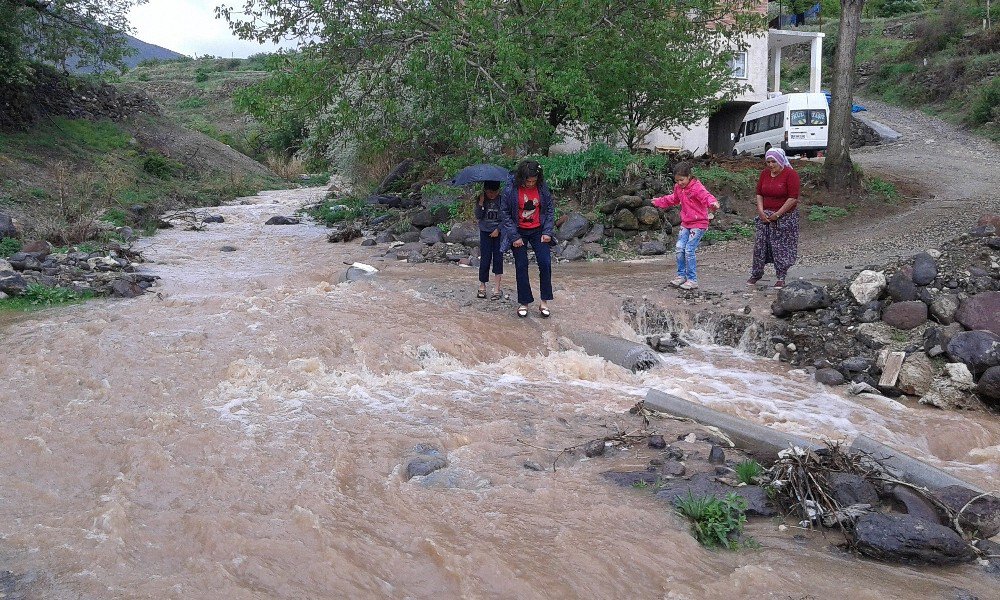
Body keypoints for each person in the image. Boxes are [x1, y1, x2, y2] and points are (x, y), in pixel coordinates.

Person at [651, 161, 720, 290]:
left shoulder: (696, 187)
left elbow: (707, 196)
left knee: (689, 250)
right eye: (677, 181)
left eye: (681, 180)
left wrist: (713, 203)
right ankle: (681, 276)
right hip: (686, 222)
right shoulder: (679, 188)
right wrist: (659, 201)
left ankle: (692, 280)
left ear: (689, 176)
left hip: (699, 223)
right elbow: (673, 199)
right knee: (679, 248)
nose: (679, 183)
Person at [499, 160, 555, 318]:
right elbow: (505, 213)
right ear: (521, 178)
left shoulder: (542, 187)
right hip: (519, 231)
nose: (531, 184)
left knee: (545, 263)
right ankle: (524, 302)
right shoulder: (511, 189)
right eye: (528, 181)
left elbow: (549, 209)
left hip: (539, 230)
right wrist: (514, 236)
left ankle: (544, 301)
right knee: (521, 265)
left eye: (533, 181)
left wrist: (547, 231)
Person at [748, 148, 800, 288]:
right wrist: (761, 211)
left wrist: (778, 214)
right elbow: (759, 193)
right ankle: (756, 273)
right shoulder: (765, 174)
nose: (771, 165)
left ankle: (781, 276)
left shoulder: (790, 174)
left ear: (781, 161)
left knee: (781, 247)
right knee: (760, 246)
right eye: (768, 162)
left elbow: (793, 198)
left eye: (773, 162)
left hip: (785, 217)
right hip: (765, 216)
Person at [474, 180, 504, 300]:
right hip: (485, 232)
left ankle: (497, 288)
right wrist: (481, 202)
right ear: (485, 191)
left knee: (498, 258)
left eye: (494, 192)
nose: (492, 195)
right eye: (489, 192)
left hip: (498, 233)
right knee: (485, 259)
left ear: (498, 191)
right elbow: (478, 216)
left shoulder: (502, 200)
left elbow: (506, 217)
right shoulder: (482, 199)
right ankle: (482, 286)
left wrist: (498, 229)